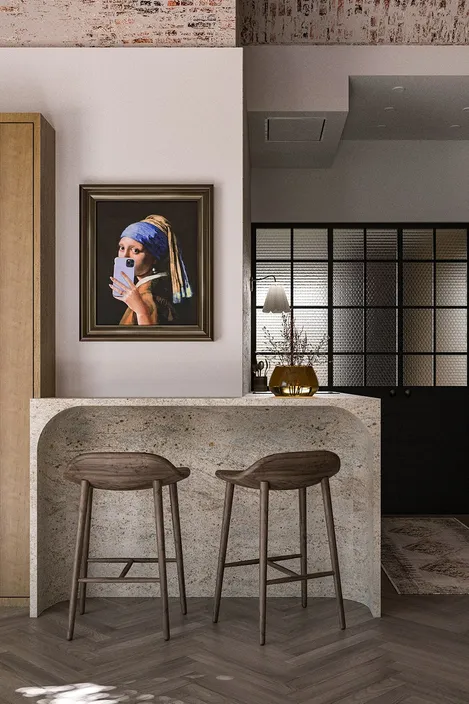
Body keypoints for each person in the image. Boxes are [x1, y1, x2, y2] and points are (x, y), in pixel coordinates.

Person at [109, 214, 192, 325]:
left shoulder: (149, 295)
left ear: (155, 257)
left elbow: (150, 340)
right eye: (122, 248)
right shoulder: (148, 288)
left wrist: (141, 312)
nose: (124, 256)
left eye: (135, 251)